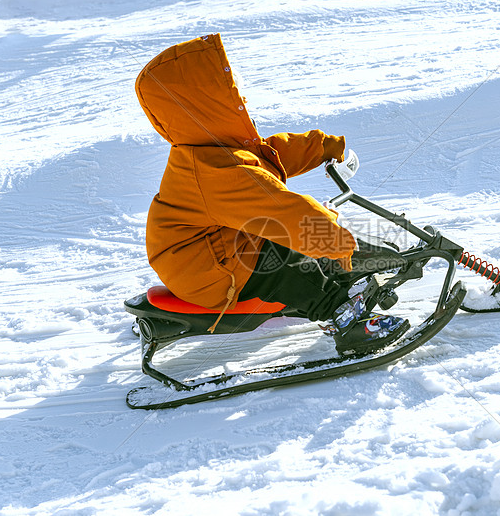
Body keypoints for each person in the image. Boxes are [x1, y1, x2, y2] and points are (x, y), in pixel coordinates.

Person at [135, 33, 406, 355]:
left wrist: (323, 148)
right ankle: (344, 320)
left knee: (292, 245)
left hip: (214, 252)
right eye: (228, 94)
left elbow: (270, 156)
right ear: (207, 106)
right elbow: (283, 210)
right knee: (280, 262)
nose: (241, 101)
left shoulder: (212, 148)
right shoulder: (215, 170)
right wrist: (339, 241)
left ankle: (347, 272)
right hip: (206, 272)